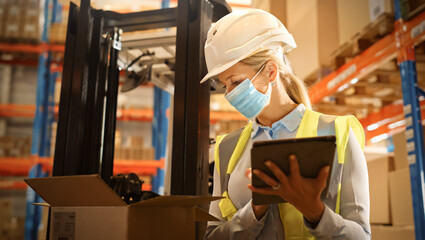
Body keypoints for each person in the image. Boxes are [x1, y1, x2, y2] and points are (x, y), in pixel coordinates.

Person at [201, 9, 371, 240]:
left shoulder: (337, 133)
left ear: (270, 71)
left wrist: (316, 213)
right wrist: (254, 211)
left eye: (236, 82)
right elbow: (212, 237)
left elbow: (361, 236)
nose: (229, 95)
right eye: (225, 86)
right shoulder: (226, 149)